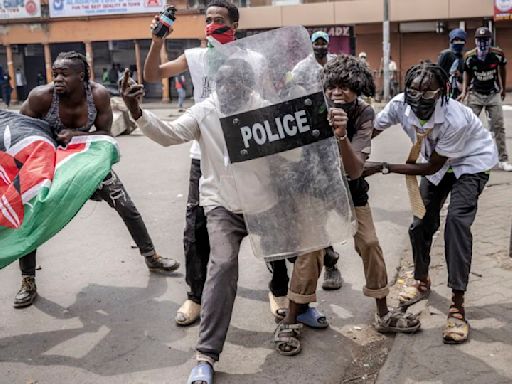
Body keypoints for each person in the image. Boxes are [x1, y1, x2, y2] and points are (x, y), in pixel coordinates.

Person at [13, 51, 179, 309]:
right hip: (49, 164)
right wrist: (50, 141)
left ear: (81, 76)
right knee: (30, 215)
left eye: (64, 74)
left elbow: (104, 133)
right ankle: (28, 280)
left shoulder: (98, 95)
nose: (57, 79)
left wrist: (76, 135)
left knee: (125, 204)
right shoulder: (41, 97)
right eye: (55, 73)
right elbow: (19, 130)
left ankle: (151, 256)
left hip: (85, 162)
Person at [368, 62, 498, 344]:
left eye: (428, 94)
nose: (419, 99)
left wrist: (381, 166)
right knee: (420, 224)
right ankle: (422, 280)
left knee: (456, 224)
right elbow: (370, 131)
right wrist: (347, 148)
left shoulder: (455, 118)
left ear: (443, 91)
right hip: (438, 166)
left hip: (469, 164)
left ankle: (457, 306)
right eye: (414, 92)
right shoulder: (399, 104)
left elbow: (429, 168)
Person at [144, 0, 243, 326]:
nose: (212, 24)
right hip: (205, 155)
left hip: (247, 154)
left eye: (219, 20)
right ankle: (195, 297)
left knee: (265, 223)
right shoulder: (196, 57)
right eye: (209, 19)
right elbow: (154, 75)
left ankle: (279, 289)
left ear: (235, 26)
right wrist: (158, 41)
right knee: (195, 230)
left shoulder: (252, 58)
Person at [267, 31, 340, 323]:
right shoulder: (255, 100)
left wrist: (328, 182)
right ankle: (281, 294)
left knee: (309, 242)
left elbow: (319, 142)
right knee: (279, 241)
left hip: (304, 179)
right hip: (271, 186)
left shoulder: (300, 93)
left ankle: (303, 305)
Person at [459, 27, 512, 172]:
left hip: (492, 93)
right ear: (475, 41)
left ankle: (503, 159)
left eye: (485, 40)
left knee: (498, 126)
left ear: (490, 40)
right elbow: (466, 74)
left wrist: (503, 88)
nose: (483, 43)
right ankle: (467, 158)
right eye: (480, 40)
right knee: (468, 126)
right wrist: (464, 91)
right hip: (475, 94)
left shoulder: (497, 54)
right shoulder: (470, 56)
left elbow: (503, 69)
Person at [438, 28, 467, 99]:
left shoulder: (462, 59)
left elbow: (464, 76)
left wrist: (459, 75)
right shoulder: (445, 54)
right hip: (445, 88)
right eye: (456, 40)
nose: (459, 42)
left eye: (461, 40)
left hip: (457, 92)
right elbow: (438, 71)